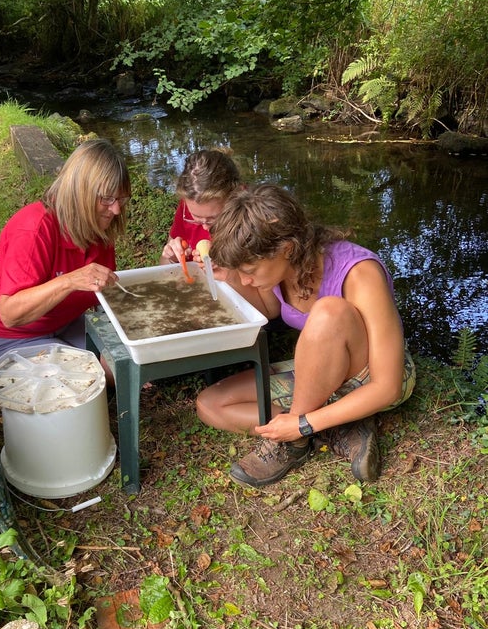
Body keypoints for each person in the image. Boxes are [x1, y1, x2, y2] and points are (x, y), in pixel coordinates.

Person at [195, 183, 416, 487]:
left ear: (286, 248)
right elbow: (269, 310)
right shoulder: (283, 269)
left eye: (250, 269)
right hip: (322, 374)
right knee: (211, 403)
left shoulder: (359, 273)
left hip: (374, 377)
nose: (246, 278)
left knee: (329, 314)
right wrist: (228, 277)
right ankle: (337, 426)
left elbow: (387, 387)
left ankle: (295, 440)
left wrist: (302, 423)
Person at [0, 138, 130, 367]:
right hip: (8, 336)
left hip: (65, 324)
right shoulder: (34, 228)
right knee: (87, 382)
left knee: (123, 365)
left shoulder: (98, 224)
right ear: (80, 192)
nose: (115, 209)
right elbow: (10, 314)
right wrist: (69, 281)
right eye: (106, 198)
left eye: (121, 199)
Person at [159, 149, 241, 266]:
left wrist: (225, 268)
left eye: (213, 218)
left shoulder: (249, 219)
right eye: (196, 217)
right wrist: (173, 259)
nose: (205, 227)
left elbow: (260, 280)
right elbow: (163, 266)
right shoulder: (187, 208)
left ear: (235, 198)